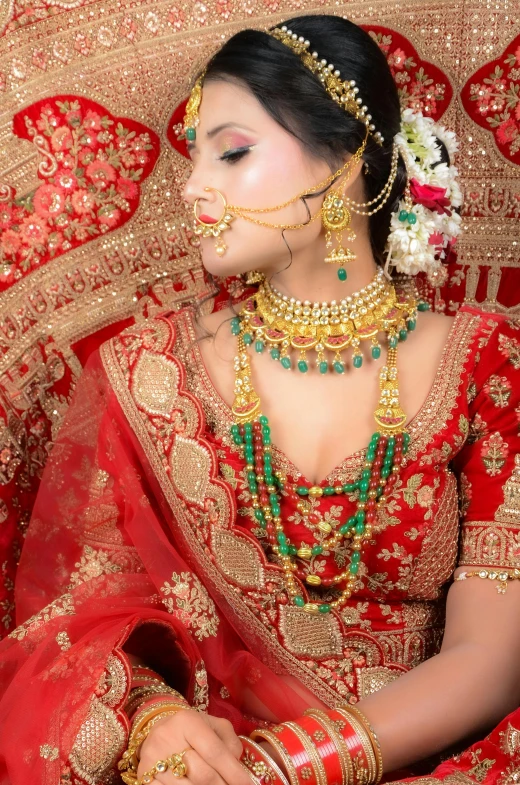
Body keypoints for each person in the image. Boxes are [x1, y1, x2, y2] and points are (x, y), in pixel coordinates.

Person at [0, 14, 519, 785]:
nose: (192, 186)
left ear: (343, 164)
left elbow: (492, 658)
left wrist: (286, 764)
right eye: (195, 153)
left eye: (233, 152)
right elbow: (77, 626)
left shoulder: (485, 363)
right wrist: (157, 719)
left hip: (441, 760)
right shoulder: (152, 373)